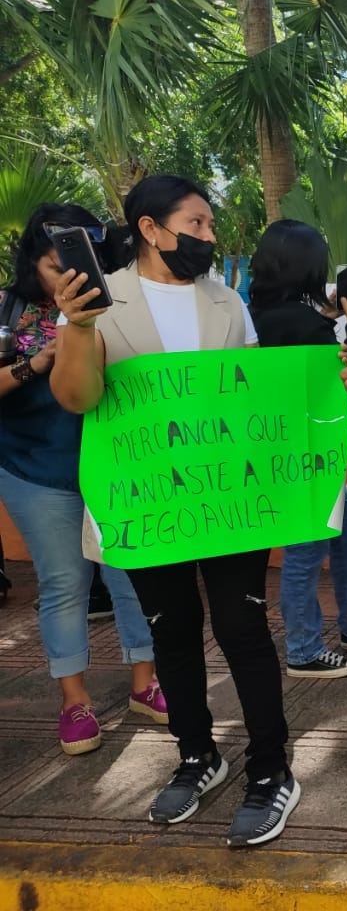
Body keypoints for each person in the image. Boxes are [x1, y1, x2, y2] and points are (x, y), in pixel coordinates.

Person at [50, 175, 347, 847]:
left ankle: (271, 768)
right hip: (147, 505)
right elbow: (76, 398)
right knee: (172, 630)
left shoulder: (228, 304)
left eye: (210, 225)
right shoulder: (98, 301)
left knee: (242, 627)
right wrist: (76, 328)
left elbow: (255, 399)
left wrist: (325, 383)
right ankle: (197, 756)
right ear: (150, 229)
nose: (210, 235)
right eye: (195, 223)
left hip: (232, 505)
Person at [0, 204, 166, 756]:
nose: (69, 276)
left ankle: (146, 683)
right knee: (64, 584)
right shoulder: (8, 308)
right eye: (55, 266)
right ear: (32, 261)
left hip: (119, 465)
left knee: (132, 578)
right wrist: (37, 364)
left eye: (81, 262)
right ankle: (75, 701)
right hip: (36, 469)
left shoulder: (121, 300)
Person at [249, 221, 347, 679]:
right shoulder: (297, 320)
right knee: (306, 548)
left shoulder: (266, 312)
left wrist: (331, 316)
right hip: (306, 453)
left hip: (300, 450)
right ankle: (303, 649)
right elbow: (337, 376)